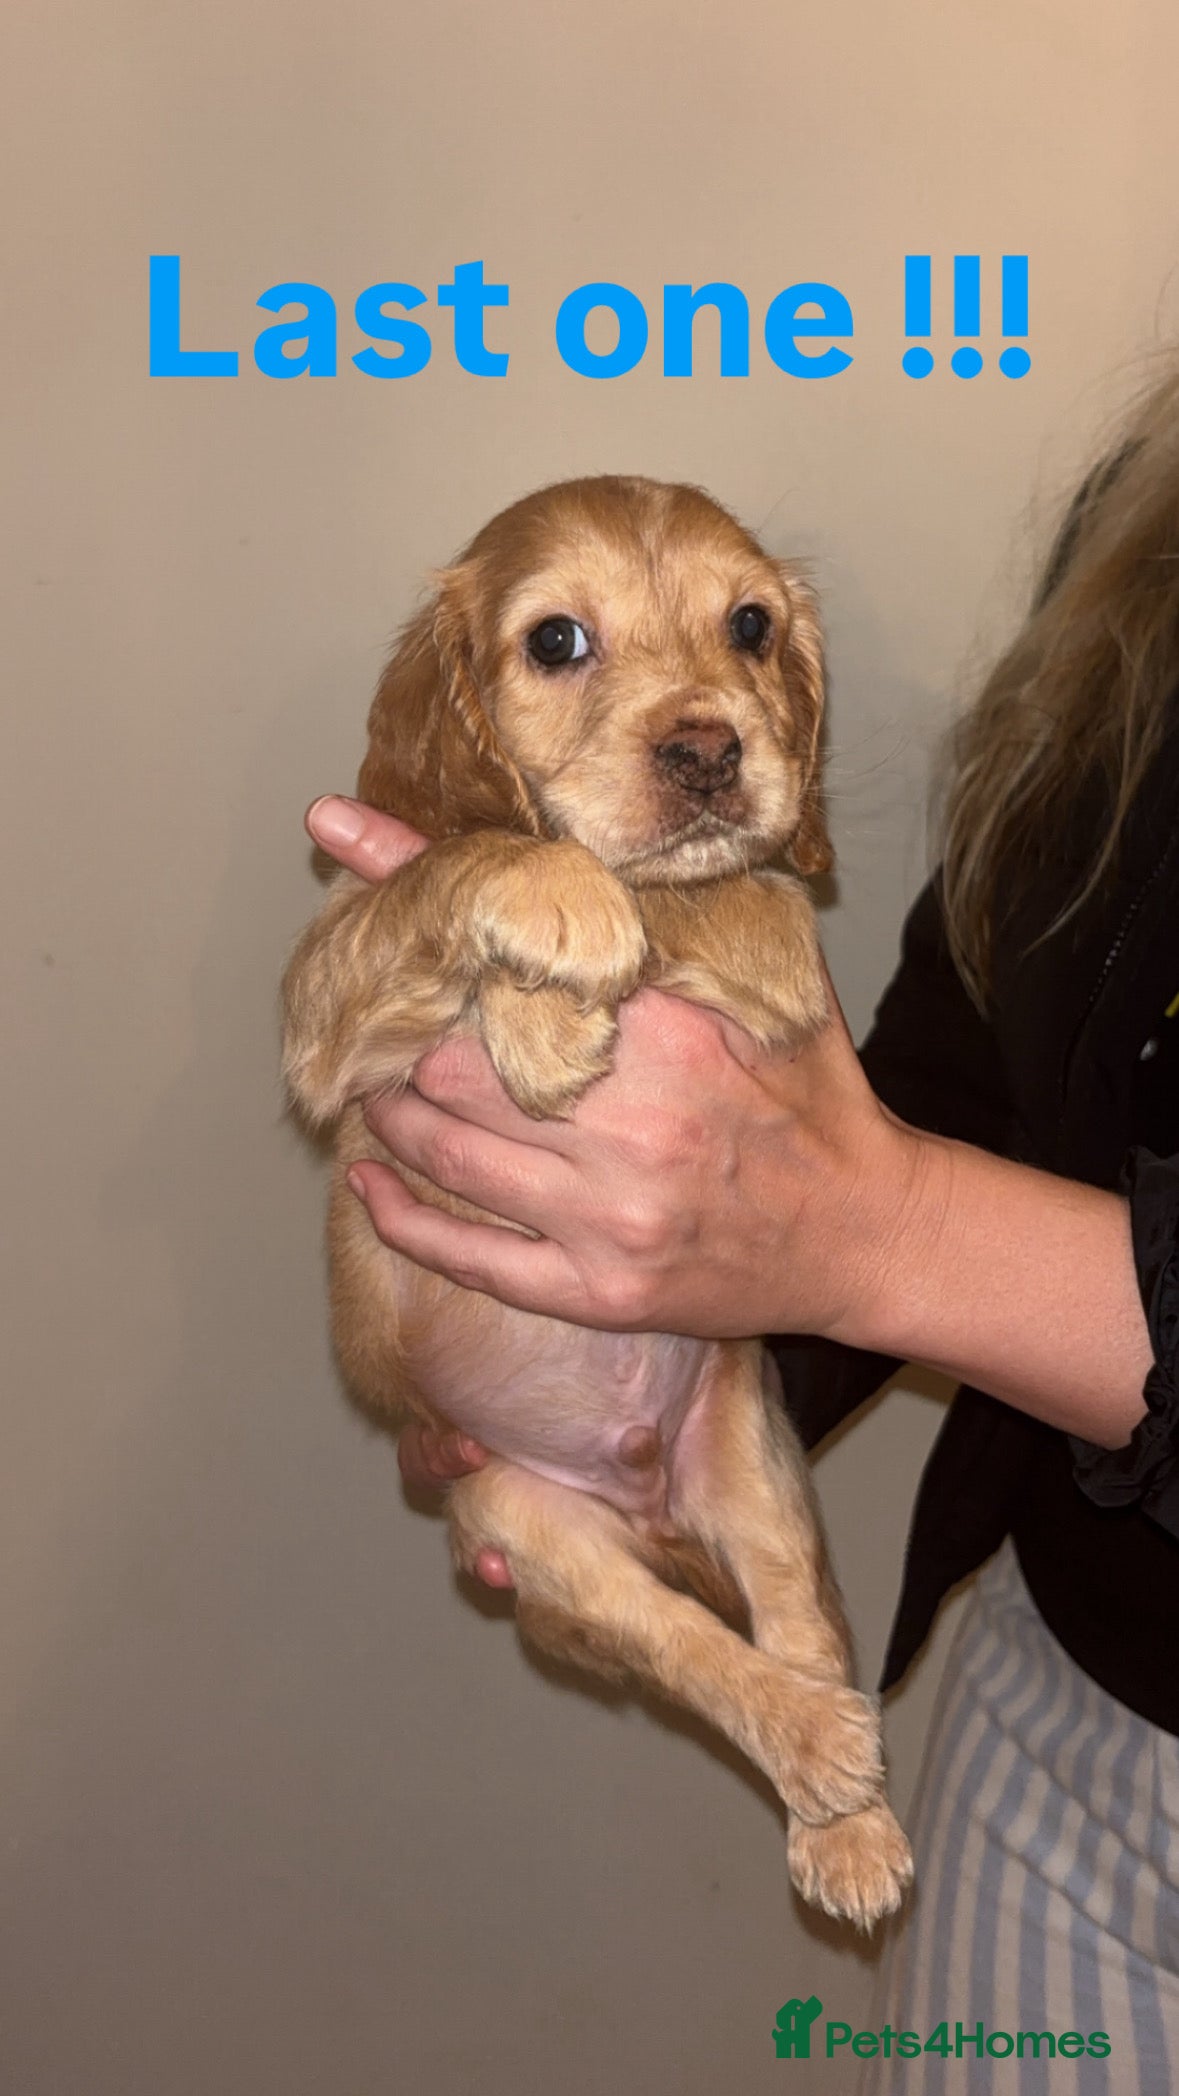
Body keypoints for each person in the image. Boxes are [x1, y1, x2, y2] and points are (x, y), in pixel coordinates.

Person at [303, 368, 1179, 2088]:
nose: (703, 718)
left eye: (748, 636)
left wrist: (880, 1234)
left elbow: (892, 1197)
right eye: (567, 645)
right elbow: (956, 1072)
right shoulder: (1143, 523)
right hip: (1061, 1692)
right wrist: (621, 1302)